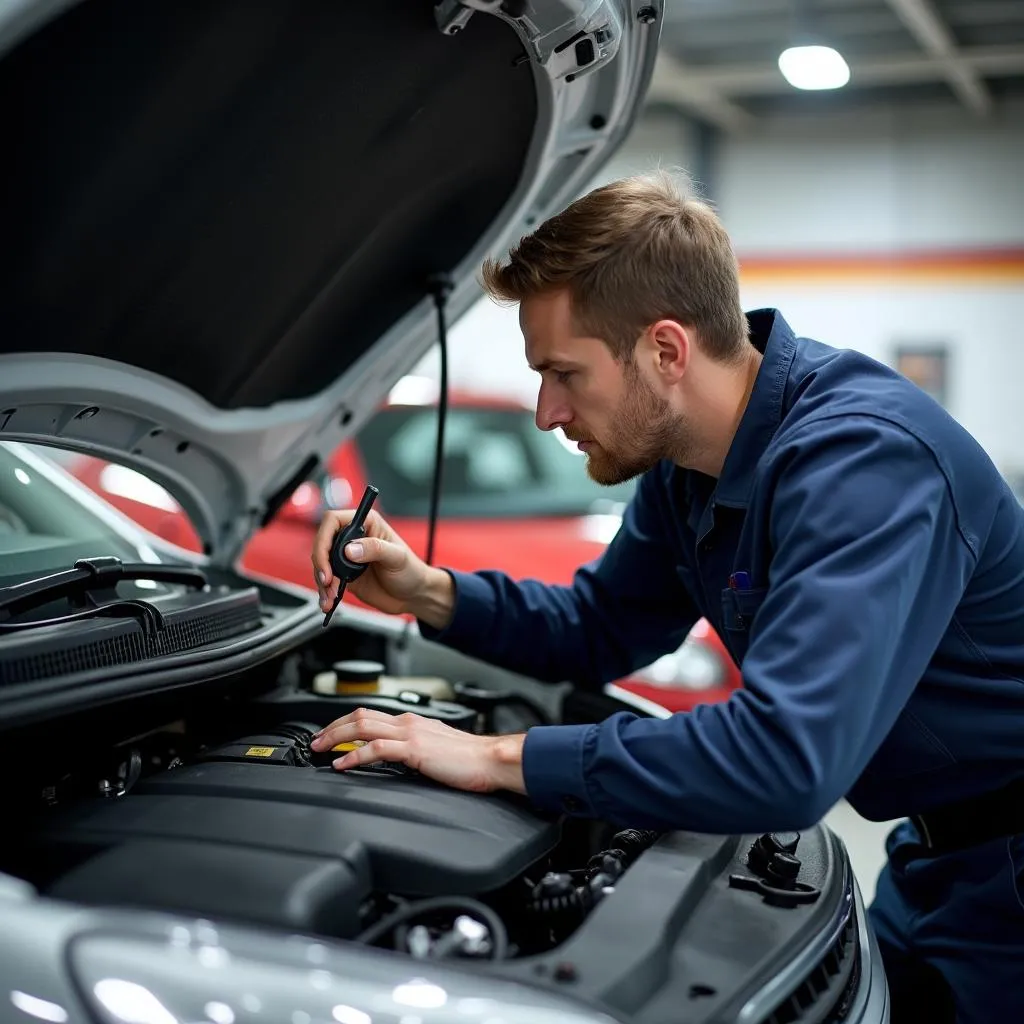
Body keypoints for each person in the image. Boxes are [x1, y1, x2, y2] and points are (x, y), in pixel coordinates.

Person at [310, 171, 1024, 1022]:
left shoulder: (866, 463)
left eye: (564, 374)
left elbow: (785, 760)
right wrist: (428, 592)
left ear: (666, 351)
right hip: (933, 857)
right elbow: (599, 626)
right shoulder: (688, 469)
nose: (546, 411)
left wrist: (500, 757)